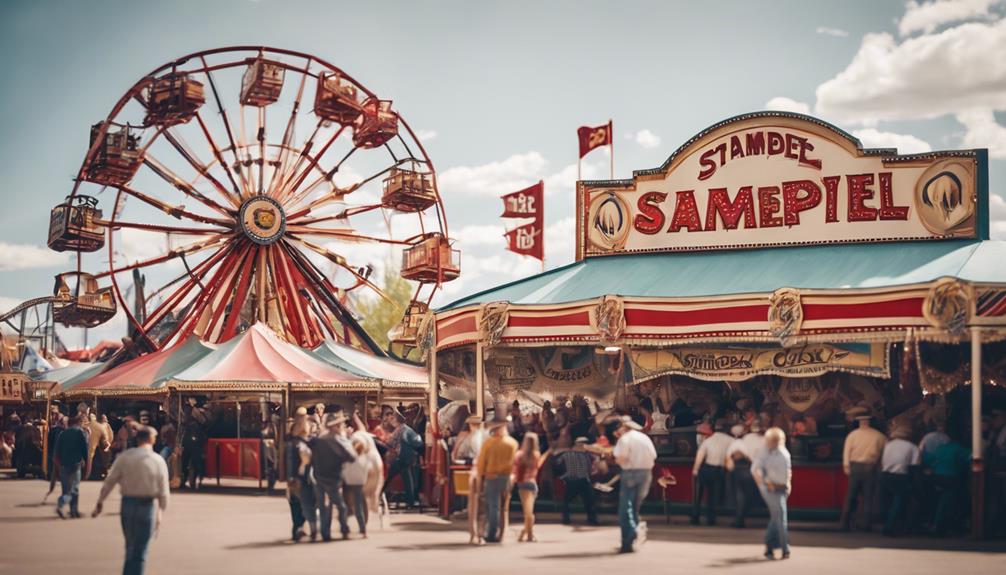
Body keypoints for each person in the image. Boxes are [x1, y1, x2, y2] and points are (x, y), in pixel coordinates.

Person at [92, 425, 169, 575]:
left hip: (127, 504)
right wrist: (160, 513)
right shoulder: (158, 460)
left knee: (130, 548)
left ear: (137, 439)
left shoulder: (125, 457)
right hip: (147, 507)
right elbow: (164, 492)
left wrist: (100, 502)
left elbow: (110, 481)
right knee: (140, 553)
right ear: (152, 440)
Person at [613, 416, 658, 554]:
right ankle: (630, 540)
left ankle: (631, 534)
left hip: (630, 473)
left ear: (622, 428)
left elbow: (622, 457)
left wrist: (617, 462)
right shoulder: (644, 438)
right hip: (646, 474)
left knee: (626, 508)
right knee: (635, 507)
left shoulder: (624, 439)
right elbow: (654, 456)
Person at [840, 408, 887, 531]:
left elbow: (846, 452)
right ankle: (866, 524)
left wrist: (846, 466)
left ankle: (844, 523)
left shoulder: (852, 435)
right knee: (868, 497)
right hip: (871, 467)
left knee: (851, 495)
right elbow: (884, 453)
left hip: (855, 467)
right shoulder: (879, 436)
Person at [311, 413, 356, 541]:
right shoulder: (337, 441)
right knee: (341, 507)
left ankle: (325, 533)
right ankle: (344, 529)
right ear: (335, 426)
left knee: (324, 507)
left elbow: (312, 458)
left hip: (319, 478)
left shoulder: (319, 440)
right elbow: (351, 458)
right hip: (333, 480)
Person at [476, 420, 518, 543]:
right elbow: (515, 463)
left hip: (491, 477)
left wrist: (480, 476)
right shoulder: (512, 443)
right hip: (507, 477)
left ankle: (492, 532)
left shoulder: (488, 443)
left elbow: (481, 463)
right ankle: (502, 533)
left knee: (493, 506)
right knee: (504, 507)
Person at [753, 427, 792, 560]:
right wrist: (764, 484)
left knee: (776, 518)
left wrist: (788, 483)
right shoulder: (764, 452)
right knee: (781, 519)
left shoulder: (783, 451)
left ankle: (769, 547)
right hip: (771, 489)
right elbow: (755, 470)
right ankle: (785, 549)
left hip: (783, 488)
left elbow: (788, 469)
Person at [879, 425, 920, 536]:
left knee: (888, 501)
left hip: (885, 475)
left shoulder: (888, 445)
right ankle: (890, 526)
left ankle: (888, 524)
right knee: (899, 500)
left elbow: (882, 461)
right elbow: (915, 467)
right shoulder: (912, 447)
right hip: (900, 477)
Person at [691, 419, 733, 526]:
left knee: (698, 495)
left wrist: (695, 470)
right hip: (719, 470)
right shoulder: (730, 440)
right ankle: (711, 519)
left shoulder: (708, 441)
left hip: (706, 469)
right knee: (713, 496)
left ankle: (695, 516)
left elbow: (700, 457)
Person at [929, 432, 970, 536]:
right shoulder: (959, 449)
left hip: (937, 477)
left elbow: (930, 459)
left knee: (942, 499)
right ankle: (941, 525)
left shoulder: (940, 448)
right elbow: (971, 458)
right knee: (949, 501)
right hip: (951, 478)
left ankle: (937, 524)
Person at [512, 431, 550, 542]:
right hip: (532, 483)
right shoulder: (536, 454)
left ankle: (528, 535)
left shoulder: (519, 455)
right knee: (530, 512)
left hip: (522, 483)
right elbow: (538, 466)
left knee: (527, 512)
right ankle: (527, 534)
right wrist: (547, 453)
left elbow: (514, 468)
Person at [285, 412, 317, 542]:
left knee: (300, 503)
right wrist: (290, 476)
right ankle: (298, 528)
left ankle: (299, 527)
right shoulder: (295, 443)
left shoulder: (301, 441)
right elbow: (290, 460)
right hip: (300, 477)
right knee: (298, 503)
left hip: (304, 476)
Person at [383, 406, 424, 508]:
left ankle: (410, 502)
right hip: (404, 459)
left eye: (394, 417)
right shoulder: (404, 430)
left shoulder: (402, 430)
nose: (392, 419)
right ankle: (410, 502)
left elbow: (390, 443)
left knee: (400, 479)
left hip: (403, 458)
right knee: (407, 480)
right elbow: (418, 442)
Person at [726, 422, 763, 528]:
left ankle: (739, 519)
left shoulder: (741, 441)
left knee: (740, 494)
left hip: (741, 469)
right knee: (752, 494)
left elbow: (730, 456)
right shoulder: (763, 440)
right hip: (757, 470)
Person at [557, 436, 599, 525]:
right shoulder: (588, 454)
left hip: (571, 480)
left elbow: (558, 463)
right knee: (589, 501)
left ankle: (566, 519)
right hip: (584, 480)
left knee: (567, 501)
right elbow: (596, 461)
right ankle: (592, 519)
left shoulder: (566, 454)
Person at [53, 415, 89, 519]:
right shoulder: (80, 433)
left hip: (64, 465)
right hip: (75, 465)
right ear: (78, 422)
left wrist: (58, 466)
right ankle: (62, 505)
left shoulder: (62, 433)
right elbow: (85, 451)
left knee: (65, 489)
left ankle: (73, 511)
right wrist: (87, 465)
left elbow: (56, 452)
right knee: (74, 489)